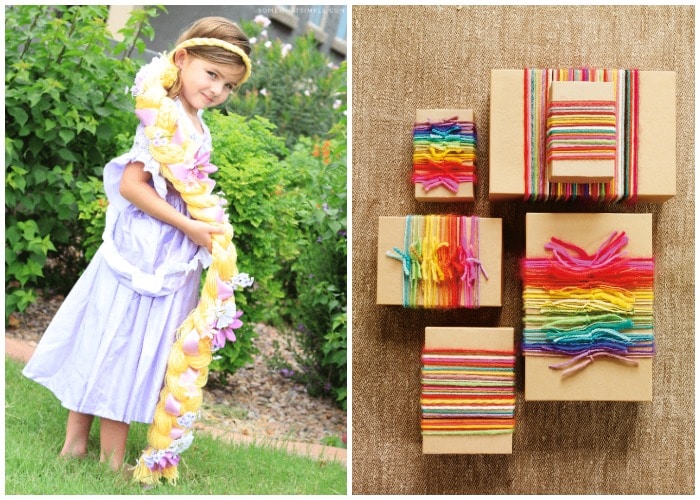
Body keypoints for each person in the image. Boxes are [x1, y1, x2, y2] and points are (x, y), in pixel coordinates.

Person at [22, 17, 252, 475]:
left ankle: (75, 446)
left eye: (228, 85)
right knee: (123, 344)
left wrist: (203, 224)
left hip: (163, 250)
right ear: (183, 59)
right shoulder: (162, 115)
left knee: (113, 338)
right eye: (212, 75)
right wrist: (188, 227)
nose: (217, 90)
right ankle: (108, 462)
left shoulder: (194, 119)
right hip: (145, 252)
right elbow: (132, 185)